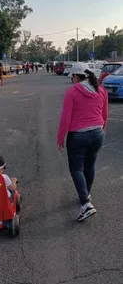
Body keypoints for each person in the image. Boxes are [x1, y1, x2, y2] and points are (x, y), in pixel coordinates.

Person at [57, 62, 108, 222]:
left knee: (76, 168)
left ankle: (86, 203)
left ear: (76, 77)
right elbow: (105, 114)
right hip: (98, 133)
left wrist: (60, 137)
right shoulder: (101, 90)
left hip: (78, 136)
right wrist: (100, 130)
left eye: (72, 77)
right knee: (90, 165)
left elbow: (66, 118)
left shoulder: (72, 92)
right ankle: (87, 193)